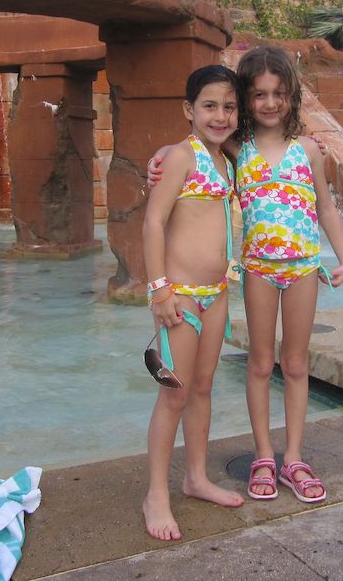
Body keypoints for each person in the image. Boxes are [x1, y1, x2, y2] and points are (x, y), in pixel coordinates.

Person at [147, 46, 343, 505]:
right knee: (260, 365)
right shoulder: (239, 151)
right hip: (257, 271)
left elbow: (324, 205)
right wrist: (163, 153)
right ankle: (263, 454)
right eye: (258, 94)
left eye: (278, 93)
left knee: (296, 365)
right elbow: (197, 146)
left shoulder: (309, 151)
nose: (269, 102)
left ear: (291, 95)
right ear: (247, 99)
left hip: (303, 269)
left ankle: (294, 457)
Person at [141, 64, 244, 541]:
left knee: (202, 390)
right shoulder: (181, 158)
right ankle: (155, 495)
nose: (220, 115)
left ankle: (196, 477)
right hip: (179, 295)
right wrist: (158, 289)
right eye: (209, 106)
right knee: (174, 394)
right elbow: (153, 223)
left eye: (228, 106)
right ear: (189, 110)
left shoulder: (229, 160)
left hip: (217, 292)